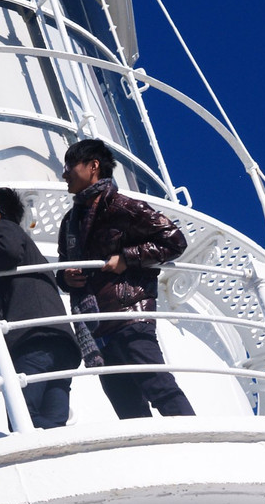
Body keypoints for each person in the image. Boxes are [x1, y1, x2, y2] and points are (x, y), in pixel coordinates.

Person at [57, 138, 195, 419]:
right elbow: (63, 268)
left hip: (130, 316)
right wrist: (66, 278)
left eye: (70, 165)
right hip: (97, 330)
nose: (64, 173)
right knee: (127, 409)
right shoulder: (69, 222)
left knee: (160, 387)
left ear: (93, 166)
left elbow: (174, 241)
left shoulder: (122, 206)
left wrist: (127, 258)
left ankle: (200, 446)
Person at [0, 187, 80, 429]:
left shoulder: (4, 228)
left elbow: (7, 252)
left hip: (34, 339)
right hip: (60, 341)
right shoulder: (25, 242)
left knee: (22, 417)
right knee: (54, 420)